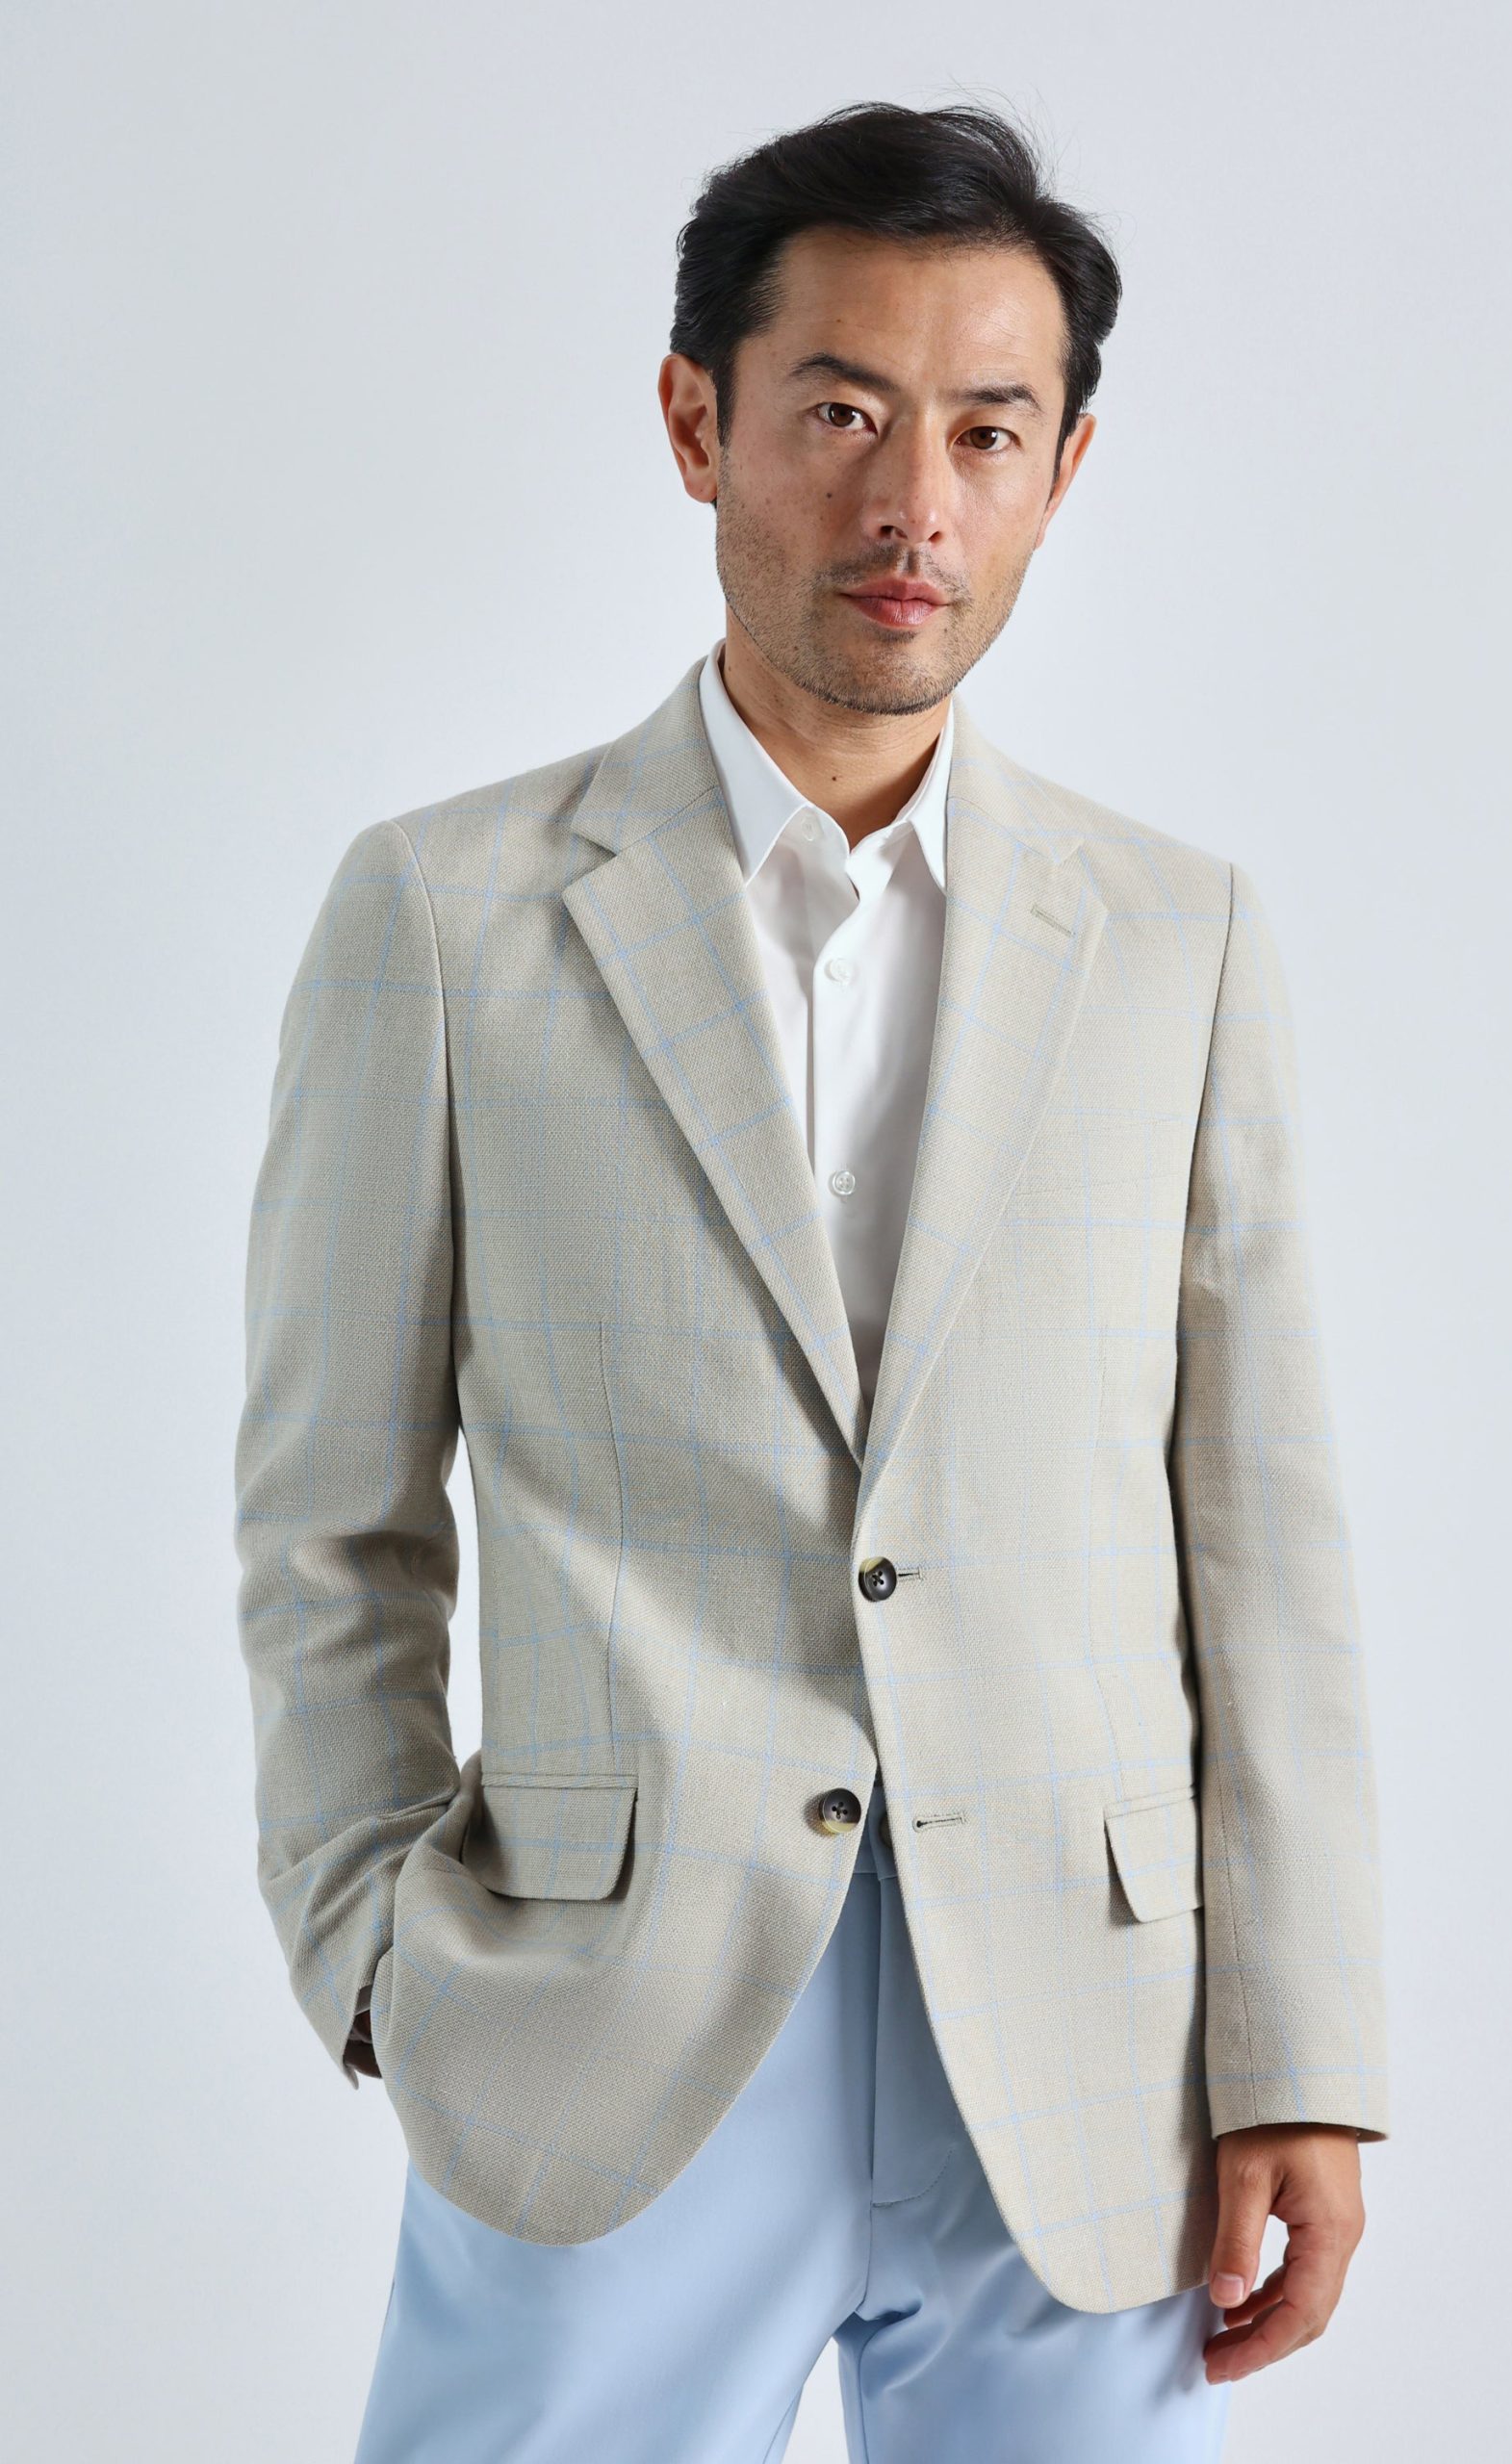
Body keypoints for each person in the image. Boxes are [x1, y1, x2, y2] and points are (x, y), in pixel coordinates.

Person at [234, 98, 1388, 2464]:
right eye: (843, 412)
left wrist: (1301, 2049)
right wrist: (375, 1956)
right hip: (603, 2038)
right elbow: (328, 1514)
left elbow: (1259, 1538)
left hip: (1080, 2061)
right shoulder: (445, 916)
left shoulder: (1170, 939)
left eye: (985, 431)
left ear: (1062, 470)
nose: (912, 504)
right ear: (698, 422)